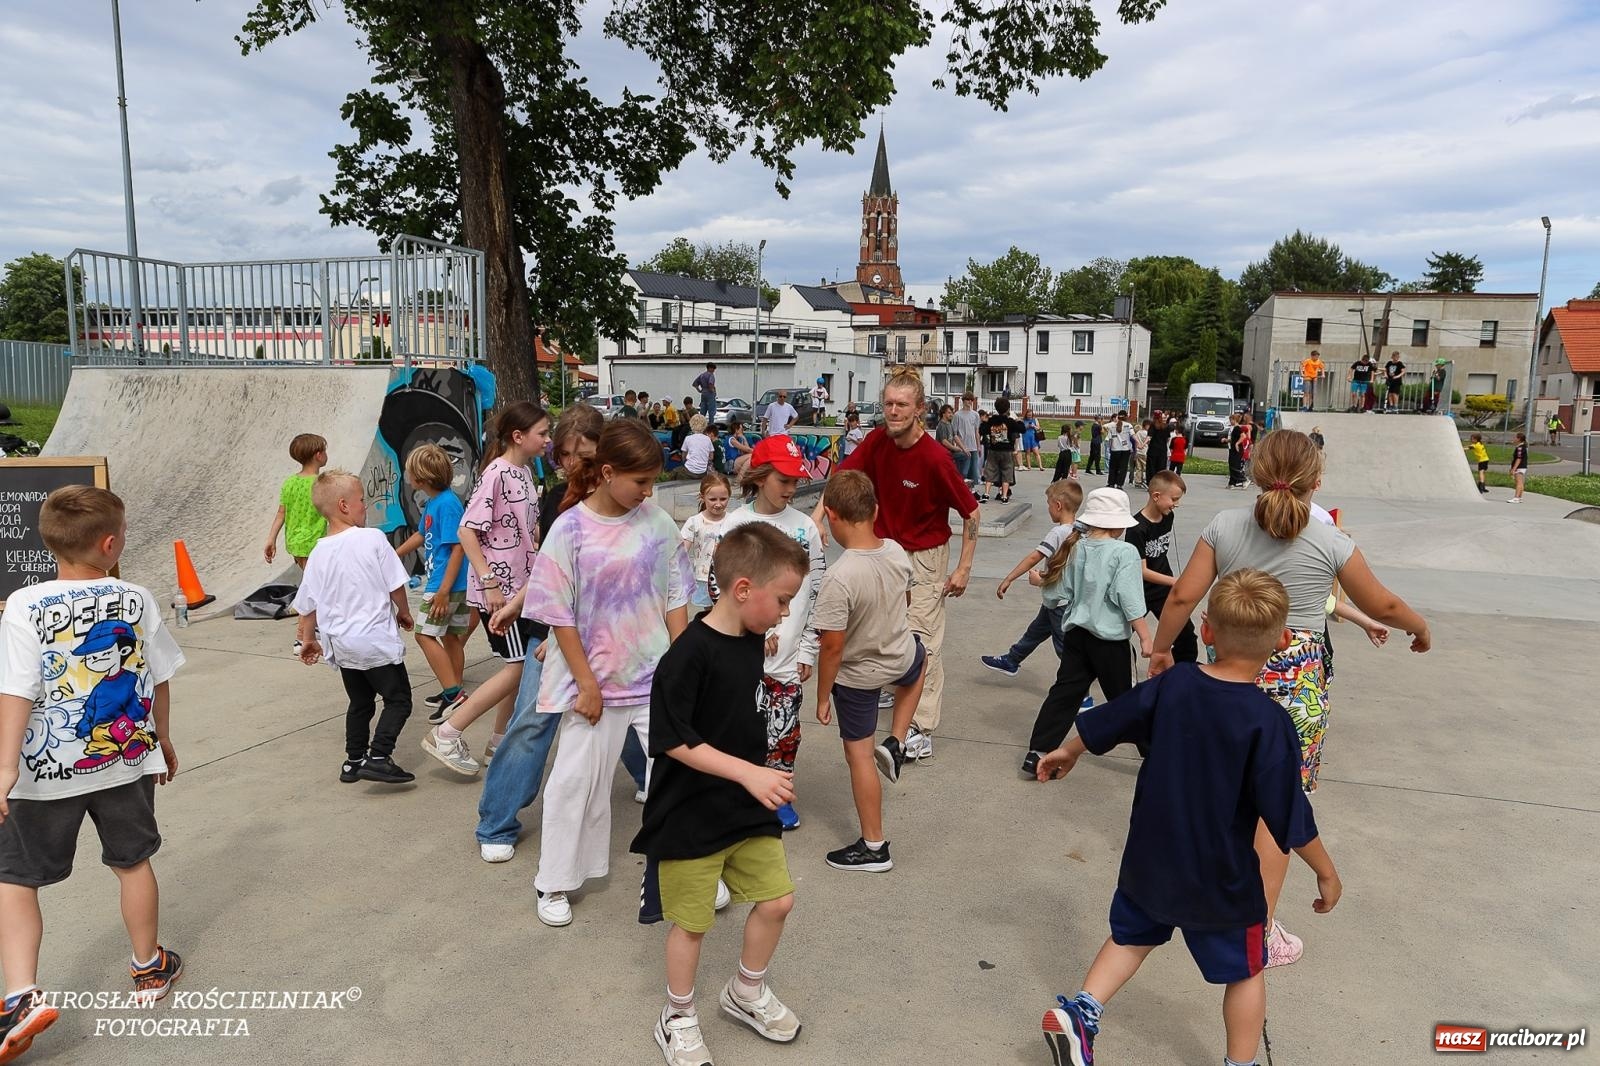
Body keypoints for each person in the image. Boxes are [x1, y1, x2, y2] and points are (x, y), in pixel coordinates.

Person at [1038, 569, 1341, 1066]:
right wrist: (1326, 872)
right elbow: (1287, 812)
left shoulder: (1176, 682)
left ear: (1206, 630)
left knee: (1130, 937)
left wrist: (1068, 750)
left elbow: (1115, 719)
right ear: (1284, 641)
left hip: (1152, 859)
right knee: (1245, 972)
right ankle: (1239, 1063)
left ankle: (1083, 1011)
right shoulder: (1268, 721)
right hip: (1221, 879)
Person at [1149, 428, 1430, 966]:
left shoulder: (1224, 525)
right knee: (1275, 808)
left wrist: (1162, 650)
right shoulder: (1330, 540)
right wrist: (1421, 629)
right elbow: (1385, 605)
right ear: (1317, 481)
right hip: (1296, 677)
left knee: (1223, 788)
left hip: (1232, 666)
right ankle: (1261, 926)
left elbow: (1185, 594)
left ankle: (1203, 892)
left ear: (1255, 471)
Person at [0, 486, 185, 1058]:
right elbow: (159, 679)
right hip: (124, 767)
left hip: (41, 772)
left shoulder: (24, 606)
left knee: (15, 878)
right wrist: (163, 738)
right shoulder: (136, 599)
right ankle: (149, 968)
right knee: (133, 864)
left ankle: (20, 996)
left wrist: (4, 766)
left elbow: (17, 689)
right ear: (110, 543)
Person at [632, 523, 806, 1066]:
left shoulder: (751, 639)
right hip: (689, 812)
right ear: (743, 589)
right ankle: (677, 1015)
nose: (783, 613)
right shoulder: (686, 657)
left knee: (777, 899)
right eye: (781, 600)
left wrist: (758, 770)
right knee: (693, 923)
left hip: (744, 805)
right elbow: (672, 740)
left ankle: (745, 992)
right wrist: (750, 773)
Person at [525, 418, 694, 928]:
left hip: (654, 678)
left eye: (653, 483)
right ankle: (554, 881)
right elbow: (558, 613)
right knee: (574, 782)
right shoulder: (570, 529)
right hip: (593, 683)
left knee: (683, 777)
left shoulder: (659, 524)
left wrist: (684, 671)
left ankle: (692, 873)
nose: (648, 493)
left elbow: (677, 596)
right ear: (606, 472)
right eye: (640, 482)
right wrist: (588, 684)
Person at [474, 405, 648, 863]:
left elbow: (637, 579)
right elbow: (550, 571)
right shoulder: (556, 500)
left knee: (626, 712)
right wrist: (518, 608)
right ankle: (497, 820)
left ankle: (655, 778)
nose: (572, 463)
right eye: (563, 454)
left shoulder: (633, 504)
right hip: (550, 628)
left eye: (581, 453)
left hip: (611, 635)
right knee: (534, 718)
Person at [819, 369, 978, 762]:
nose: (892, 411)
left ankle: (920, 729)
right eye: (888, 403)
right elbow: (841, 478)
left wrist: (963, 569)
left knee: (923, 640)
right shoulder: (876, 441)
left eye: (902, 405)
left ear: (919, 409)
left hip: (924, 558)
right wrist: (818, 516)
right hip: (883, 552)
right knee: (885, 631)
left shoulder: (936, 458)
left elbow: (971, 514)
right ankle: (899, 686)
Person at [421, 402, 550, 775]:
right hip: (502, 593)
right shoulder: (497, 473)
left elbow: (524, 529)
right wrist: (490, 582)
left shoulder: (524, 473)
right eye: (541, 433)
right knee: (519, 666)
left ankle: (498, 744)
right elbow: (466, 530)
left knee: (519, 665)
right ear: (518, 436)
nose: (547, 439)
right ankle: (448, 731)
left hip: (522, 587)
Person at [812, 471, 926, 872]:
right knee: (921, 659)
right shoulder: (895, 551)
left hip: (858, 677)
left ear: (830, 515)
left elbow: (832, 647)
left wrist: (824, 696)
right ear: (875, 510)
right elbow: (906, 597)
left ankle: (874, 847)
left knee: (859, 756)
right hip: (901, 656)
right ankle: (896, 740)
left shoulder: (839, 577)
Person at [724, 437, 825, 831]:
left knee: (784, 734)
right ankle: (738, 796)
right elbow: (722, 590)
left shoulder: (804, 529)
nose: (791, 488)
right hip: (740, 658)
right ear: (761, 476)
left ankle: (778, 796)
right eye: (783, 479)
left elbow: (817, 589)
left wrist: (808, 649)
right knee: (738, 731)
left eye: (796, 481)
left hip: (787, 662)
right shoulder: (735, 526)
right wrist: (752, 630)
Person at [1019, 488, 1152, 778]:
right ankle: (1154, 753)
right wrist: (1144, 636)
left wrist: (1040, 582)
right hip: (1110, 642)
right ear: (1118, 523)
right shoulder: (1124, 552)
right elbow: (1129, 599)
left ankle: (1038, 751)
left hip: (1077, 637)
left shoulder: (1076, 546)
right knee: (1125, 699)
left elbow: (1058, 593)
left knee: (1064, 694)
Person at [295, 471, 417, 784]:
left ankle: (353, 761)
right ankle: (378, 755)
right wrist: (403, 613)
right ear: (344, 506)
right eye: (362, 500)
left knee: (361, 702)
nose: (365, 506)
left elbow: (307, 605)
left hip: (342, 645)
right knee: (399, 699)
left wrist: (308, 640)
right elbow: (395, 584)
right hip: (374, 641)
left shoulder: (318, 552)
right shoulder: (373, 539)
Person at [394, 444, 473, 718]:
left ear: (421, 478)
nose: (408, 476)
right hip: (449, 585)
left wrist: (442, 591)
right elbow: (421, 534)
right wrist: (394, 554)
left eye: (410, 472)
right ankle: (454, 687)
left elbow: (457, 549)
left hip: (444, 585)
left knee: (423, 634)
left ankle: (454, 693)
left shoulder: (448, 504)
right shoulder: (435, 502)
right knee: (451, 638)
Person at [980, 479, 1084, 677]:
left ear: (1058, 505)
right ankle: (1012, 660)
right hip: (1059, 600)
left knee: (1065, 649)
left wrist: (1009, 578)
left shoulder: (1058, 532)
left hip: (1060, 603)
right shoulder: (1080, 530)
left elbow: (1034, 557)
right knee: (1035, 632)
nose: (1048, 509)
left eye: (1048, 504)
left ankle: (1082, 694)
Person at [1123, 471, 1198, 665]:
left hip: (1164, 590)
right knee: (1117, 636)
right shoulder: (1136, 528)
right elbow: (1141, 570)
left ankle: (1182, 675)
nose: (1176, 504)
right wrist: (1176, 581)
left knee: (1187, 637)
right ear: (1156, 496)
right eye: (1173, 499)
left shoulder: (1168, 516)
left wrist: (1173, 583)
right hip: (1139, 592)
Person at [264, 431, 328, 571]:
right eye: (325, 451)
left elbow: (281, 514)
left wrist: (271, 539)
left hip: (296, 544)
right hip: (314, 543)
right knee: (318, 584)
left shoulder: (290, 482)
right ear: (318, 455)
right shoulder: (321, 483)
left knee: (312, 582)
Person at [681, 472, 734, 608]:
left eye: (723, 499)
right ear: (702, 497)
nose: (718, 504)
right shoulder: (694, 521)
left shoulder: (733, 520)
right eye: (713, 499)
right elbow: (681, 550)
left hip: (727, 576)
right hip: (703, 577)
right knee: (708, 613)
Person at [981, 396, 1024, 504]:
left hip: (993, 450)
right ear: (1007, 409)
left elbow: (982, 430)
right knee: (1007, 472)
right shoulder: (1009, 421)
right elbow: (1022, 429)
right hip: (1007, 450)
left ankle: (986, 494)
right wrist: (1019, 421)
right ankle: (1004, 496)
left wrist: (986, 422)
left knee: (990, 470)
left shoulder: (992, 420)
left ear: (996, 408)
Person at [952, 393, 981, 485]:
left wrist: (978, 446)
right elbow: (954, 433)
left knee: (974, 472)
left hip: (973, 447)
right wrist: (961, 447)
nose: (970, 402)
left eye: (971, 400)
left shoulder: (975, 415)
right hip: (963, 447)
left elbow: (976, 431)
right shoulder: (957, 415)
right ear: (963, 401)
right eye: (968, 400)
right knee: (964, 472)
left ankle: (972, 491)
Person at [1104, 412, 1136, 489]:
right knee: (1123, 467)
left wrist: (1110, 447)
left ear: (1118, 416)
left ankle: (1111, 483)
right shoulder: (1129, 425)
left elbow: (1109, 436)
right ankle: (1119, 484)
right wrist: (1139, 443)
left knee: (1113, 466)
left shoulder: (1112, 425)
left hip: (1115, 449)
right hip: (1125, 449)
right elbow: (1133, 436)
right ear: (1126, 416)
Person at [1145, 411, 1170, 482]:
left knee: (1151, 467)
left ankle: (1151, 482)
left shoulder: (1152, 426)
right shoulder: (1166, 426)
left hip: (1153, 450)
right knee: (1161, 467)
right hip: (1162, 450)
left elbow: (1149, 437)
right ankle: (1160, 482)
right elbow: (1168, 439)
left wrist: (1145, 444)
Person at [1225, 414, 1249, 488]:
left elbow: (1243, 436)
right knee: (1231, 464)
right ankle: (1232, 483)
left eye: (1231, 420)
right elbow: (1234, 438)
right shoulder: (1233, 428)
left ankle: (1243, 479)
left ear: (1234, 420)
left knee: (1234, 466)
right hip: (1232, 449)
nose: (1230, 421)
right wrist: (1227, 440)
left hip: (1237, 450)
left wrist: (1237, 443)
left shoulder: (1237, 428)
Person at [1509, 432, 1529, 504]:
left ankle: (1516, 497)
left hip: (1520, 467)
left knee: (1518, 482)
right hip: (1522, 467)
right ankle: (1519, 497)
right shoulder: (1521, 446)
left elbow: (1518, 459)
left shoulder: (1520, 448)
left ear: (1519, 439)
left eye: (1515, 437)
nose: (1514, 439)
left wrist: (1514, 469)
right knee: (1521, 483)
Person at [1132, 420, 1151, 488]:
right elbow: (1149, 442)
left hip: (1138, 452)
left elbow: (1136, 442)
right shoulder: (1146, 433)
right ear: (1146, 425)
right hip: (1145, 451)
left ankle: (1138, 481)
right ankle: (1146, 479)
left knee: (1139, 468)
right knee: (1146, 467)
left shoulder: (1138, 432)